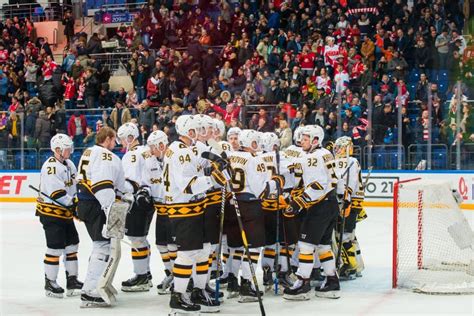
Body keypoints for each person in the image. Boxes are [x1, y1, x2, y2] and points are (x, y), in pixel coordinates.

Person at [163, 115, 223, 313]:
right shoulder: (180, 152)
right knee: (187, 254)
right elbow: (188, 186)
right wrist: (213, 179)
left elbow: (201, 163)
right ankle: (178, 297)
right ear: (189, 132)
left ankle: (198, 290)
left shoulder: (186, 149)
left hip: (195, 207)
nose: (200, 133)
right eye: (197, 130)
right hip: (183, 209)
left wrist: (215, 161)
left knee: (202, 250)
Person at [76, 127, 133, 307]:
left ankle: (97, 284)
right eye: (114, 139)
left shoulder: (89, 151)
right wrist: (111, 212)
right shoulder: (105, 155)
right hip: (96, 205)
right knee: (102, 246)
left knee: (103, 245)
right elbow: (102, 185)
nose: (115, 143)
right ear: (107, 138)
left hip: (86, 203)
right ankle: (90, 290)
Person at [283, 125, 340, 300]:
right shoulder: (322, 154)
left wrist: (298, 202)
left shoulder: (314, 157)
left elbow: (318, 185)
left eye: (306, 139)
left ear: (316, 140)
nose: (302, 141)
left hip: (320, 205)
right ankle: (332, 280)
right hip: (330, 204)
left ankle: (303, 282)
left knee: (305, 244)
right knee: (323, 246)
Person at [226, 129, 278, 302]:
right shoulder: (254, 159)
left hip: (232, 204)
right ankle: (246, 285)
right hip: (250, 205)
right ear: (253, 144)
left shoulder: (231, 156)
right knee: (254, 247)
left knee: (236, 247)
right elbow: (259, 189)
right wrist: (275, 183)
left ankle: (232, 281)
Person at [36, 134, 83, 298]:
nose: (70, 151)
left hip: (65, 213)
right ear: (57, 150)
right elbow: (58, 194)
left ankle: (72, 280)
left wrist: (79, 201)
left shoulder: (69, 164)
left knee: (72, 245)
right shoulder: (50, 167)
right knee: (55, 248)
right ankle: (50, 282)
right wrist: (75, 205)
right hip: (51, 214)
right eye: (67, 148)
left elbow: (75, 186)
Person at [116, 123, 155, 292]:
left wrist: (116, 192)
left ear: (131, 137)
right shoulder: (145, 150)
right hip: (148, 199)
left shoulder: (132, 154)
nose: (122, 142)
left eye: (123, 138)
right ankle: (145, 274)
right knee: (141, 238)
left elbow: (131, 183)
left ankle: (142, 277)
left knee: (136, 238)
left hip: (137, 202)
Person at [142, 130, 176, 294]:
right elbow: (146, 181)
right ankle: (171, 274)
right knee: (161, 244)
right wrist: (144, 191)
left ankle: (180, 277)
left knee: (172, 245)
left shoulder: (174, 157)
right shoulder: (150, 160)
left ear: (161, 145)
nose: (150, 151)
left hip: (175, 209)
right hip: (160, 210)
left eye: (152, 147)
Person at [332, 136, 366, 280]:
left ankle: (350, 266)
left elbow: (349, 183)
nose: (338, 150)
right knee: (349, 236)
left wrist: (347, 200)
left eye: (341, 147)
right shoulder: (341, 161)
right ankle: (358, 265)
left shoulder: (351, 161)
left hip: (348, 202)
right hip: (345, 201)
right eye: (337, 147)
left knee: (344, 236)